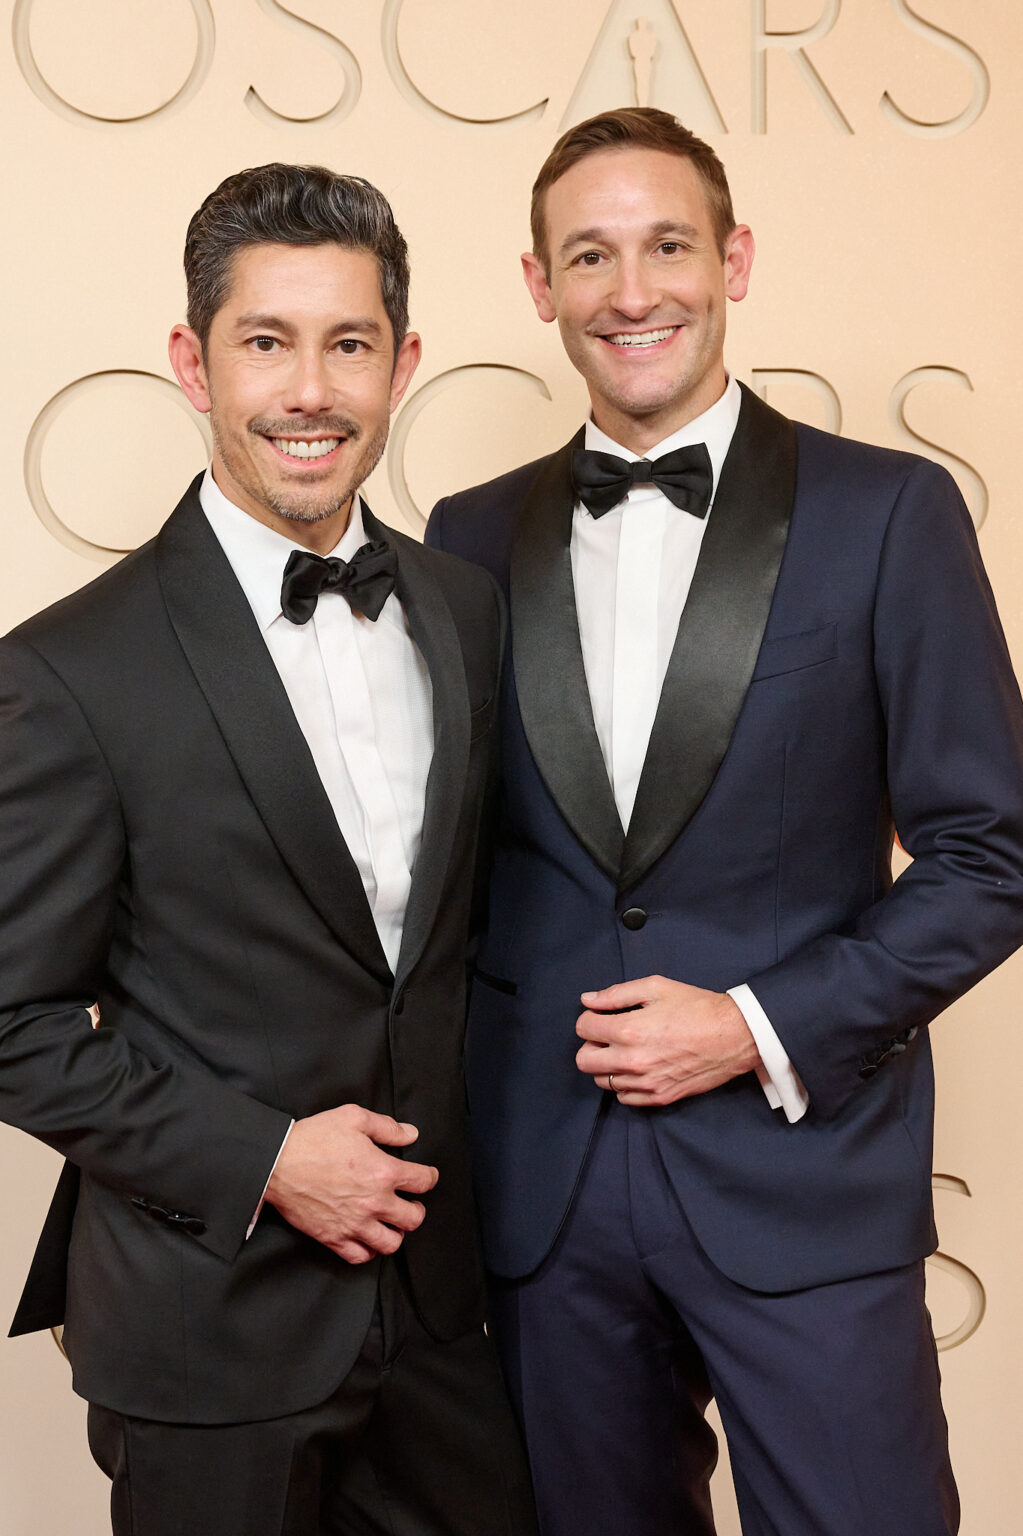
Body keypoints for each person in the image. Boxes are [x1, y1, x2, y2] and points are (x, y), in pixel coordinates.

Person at [426, 108, 1023, 1536]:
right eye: (592, 256)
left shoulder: (890, 513)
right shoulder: (463, 534)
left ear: (735, 258)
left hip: (803, 1172)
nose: (634, 292)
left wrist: (753, 1022)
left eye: (670, 245)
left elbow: (993, 853)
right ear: (539, 285)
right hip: (544, 1196)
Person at [0, 163, 536, 1536]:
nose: (312, 390)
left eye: (348, 343)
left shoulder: (467, 611)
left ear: (402, 361)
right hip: (207, 1325)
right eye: (267, 341)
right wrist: (266, 1158)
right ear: (194, 361)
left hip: (450, 1323)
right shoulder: (67, 672)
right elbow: (10, 1017)